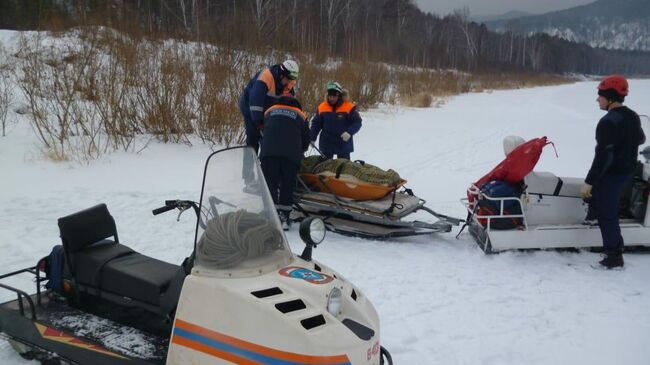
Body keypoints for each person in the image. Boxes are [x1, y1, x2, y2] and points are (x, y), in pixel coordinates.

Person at [580, 75, 646, 269]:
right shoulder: (632, 115)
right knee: (598, 198)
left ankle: (614, 256)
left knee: (607, 214)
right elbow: (641, 139)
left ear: (609, 97)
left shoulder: (608, 122)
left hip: (613, 173)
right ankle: (592, 217)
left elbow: (603, 158)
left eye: (600, 95)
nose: (597, 99)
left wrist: (590, 181)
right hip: (628, 170)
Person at [239, 60, 299, 189]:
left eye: (292, 80)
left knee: (273, 143)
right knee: (253, 141)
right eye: (288, 79)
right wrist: (259, 124)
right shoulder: (266, 77)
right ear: (282, 74)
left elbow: (290, 104)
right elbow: (255, 103)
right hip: (251, 109)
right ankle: (249, 178)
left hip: (269, 110)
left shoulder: (289, 82)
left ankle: (271, 176)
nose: (290, 83)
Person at [259, 95, 310, 230]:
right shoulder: (300, 115)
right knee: (287, 185)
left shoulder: (269, 111)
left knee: (270, 184)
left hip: (268, 154)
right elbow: (306, 139)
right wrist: (300, 151)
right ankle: (284, 218)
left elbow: (265, 130)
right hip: (290, 156)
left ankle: (270, 216)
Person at [310, 81, 362, 160]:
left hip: (343, 144)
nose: (332, 99)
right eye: (330, 96)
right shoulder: (322, 107)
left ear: (339, 95)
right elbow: (316, 124)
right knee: (325, 169)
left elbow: (357, 122)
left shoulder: (348, 107)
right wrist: (312, 137)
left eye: (334, 96)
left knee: (344, 170)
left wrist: (349, 132)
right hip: (326, 144)